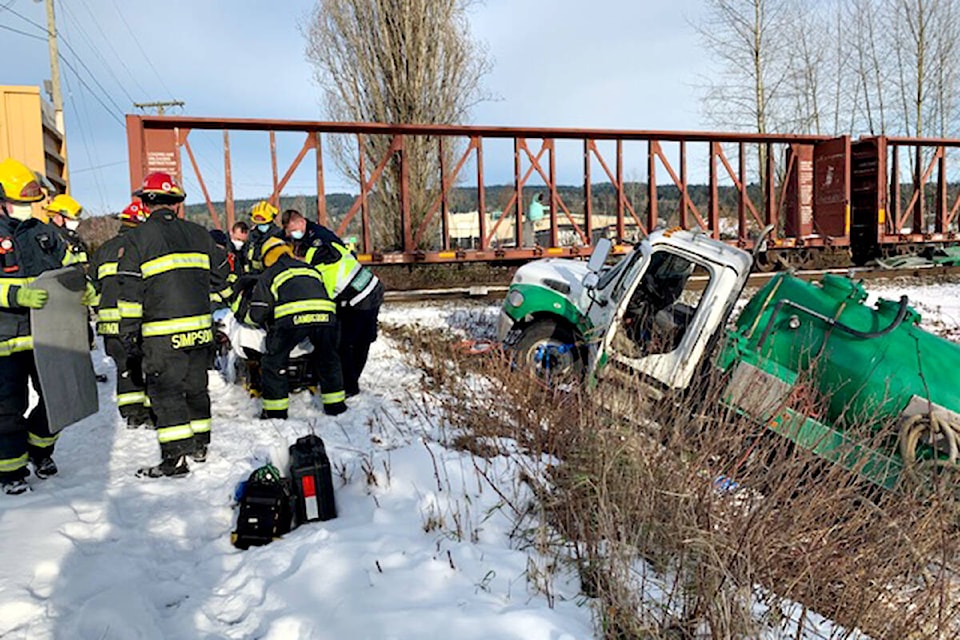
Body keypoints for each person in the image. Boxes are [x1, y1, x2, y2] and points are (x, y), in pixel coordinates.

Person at [117, 171, 230, 478]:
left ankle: (175, 459)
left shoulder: (136, 239)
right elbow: (221, 277)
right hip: (198, 331)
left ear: (144, 204)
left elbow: (129, 291)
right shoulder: (199, 234)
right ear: (177, 204)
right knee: (196, 388)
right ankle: (199, 445)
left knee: (166, 395)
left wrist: (128, 334)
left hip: (161, 336)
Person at [0, 158, 71, 494]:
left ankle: (40, 451)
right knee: (6, 407)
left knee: (57, 399)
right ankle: (11, 472)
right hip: (5, 340)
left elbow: (68, 265)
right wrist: (17, 295)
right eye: (20, 203)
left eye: (30, 203)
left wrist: (80, 285)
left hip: (47, 335)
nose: (26, 209)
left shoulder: (45, 233)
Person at [248, 237, 346, 418]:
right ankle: (336, 407)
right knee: (329, 359)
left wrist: (254, 317)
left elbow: (258, 313)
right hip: (326, 316)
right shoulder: (310, 268)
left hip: (292, 319)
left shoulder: (270, 273)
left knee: (274, 361)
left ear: (266, 258)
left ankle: (275, 412)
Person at [89, 199, 152, 428]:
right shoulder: (144, 246)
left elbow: (92, 287)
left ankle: (132, 415)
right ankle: (149, 411)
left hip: (109, 324)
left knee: (124, 367)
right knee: (146, 364)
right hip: (135, 320)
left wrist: (101, 308)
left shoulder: (104, 249)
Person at [303, 239, 383, 397]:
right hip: (375, 288)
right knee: (363, 341)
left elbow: (326, 302)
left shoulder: (323, 272)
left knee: (344, 344)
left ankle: (349, 386)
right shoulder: (336, 249)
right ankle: (352, 382)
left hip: (359, 302)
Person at [45, 194, 89, 266]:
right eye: (70, 218)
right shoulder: (52, 237)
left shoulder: (72, 236)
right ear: (58, 217)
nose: (76, 221)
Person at [243, 201, 284, 274]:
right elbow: (246, 254)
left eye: (263, 222)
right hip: (253, 274)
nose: (260, 225)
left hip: (271, 273)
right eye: (257, 222)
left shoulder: (278, 235)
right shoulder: (252, 235)